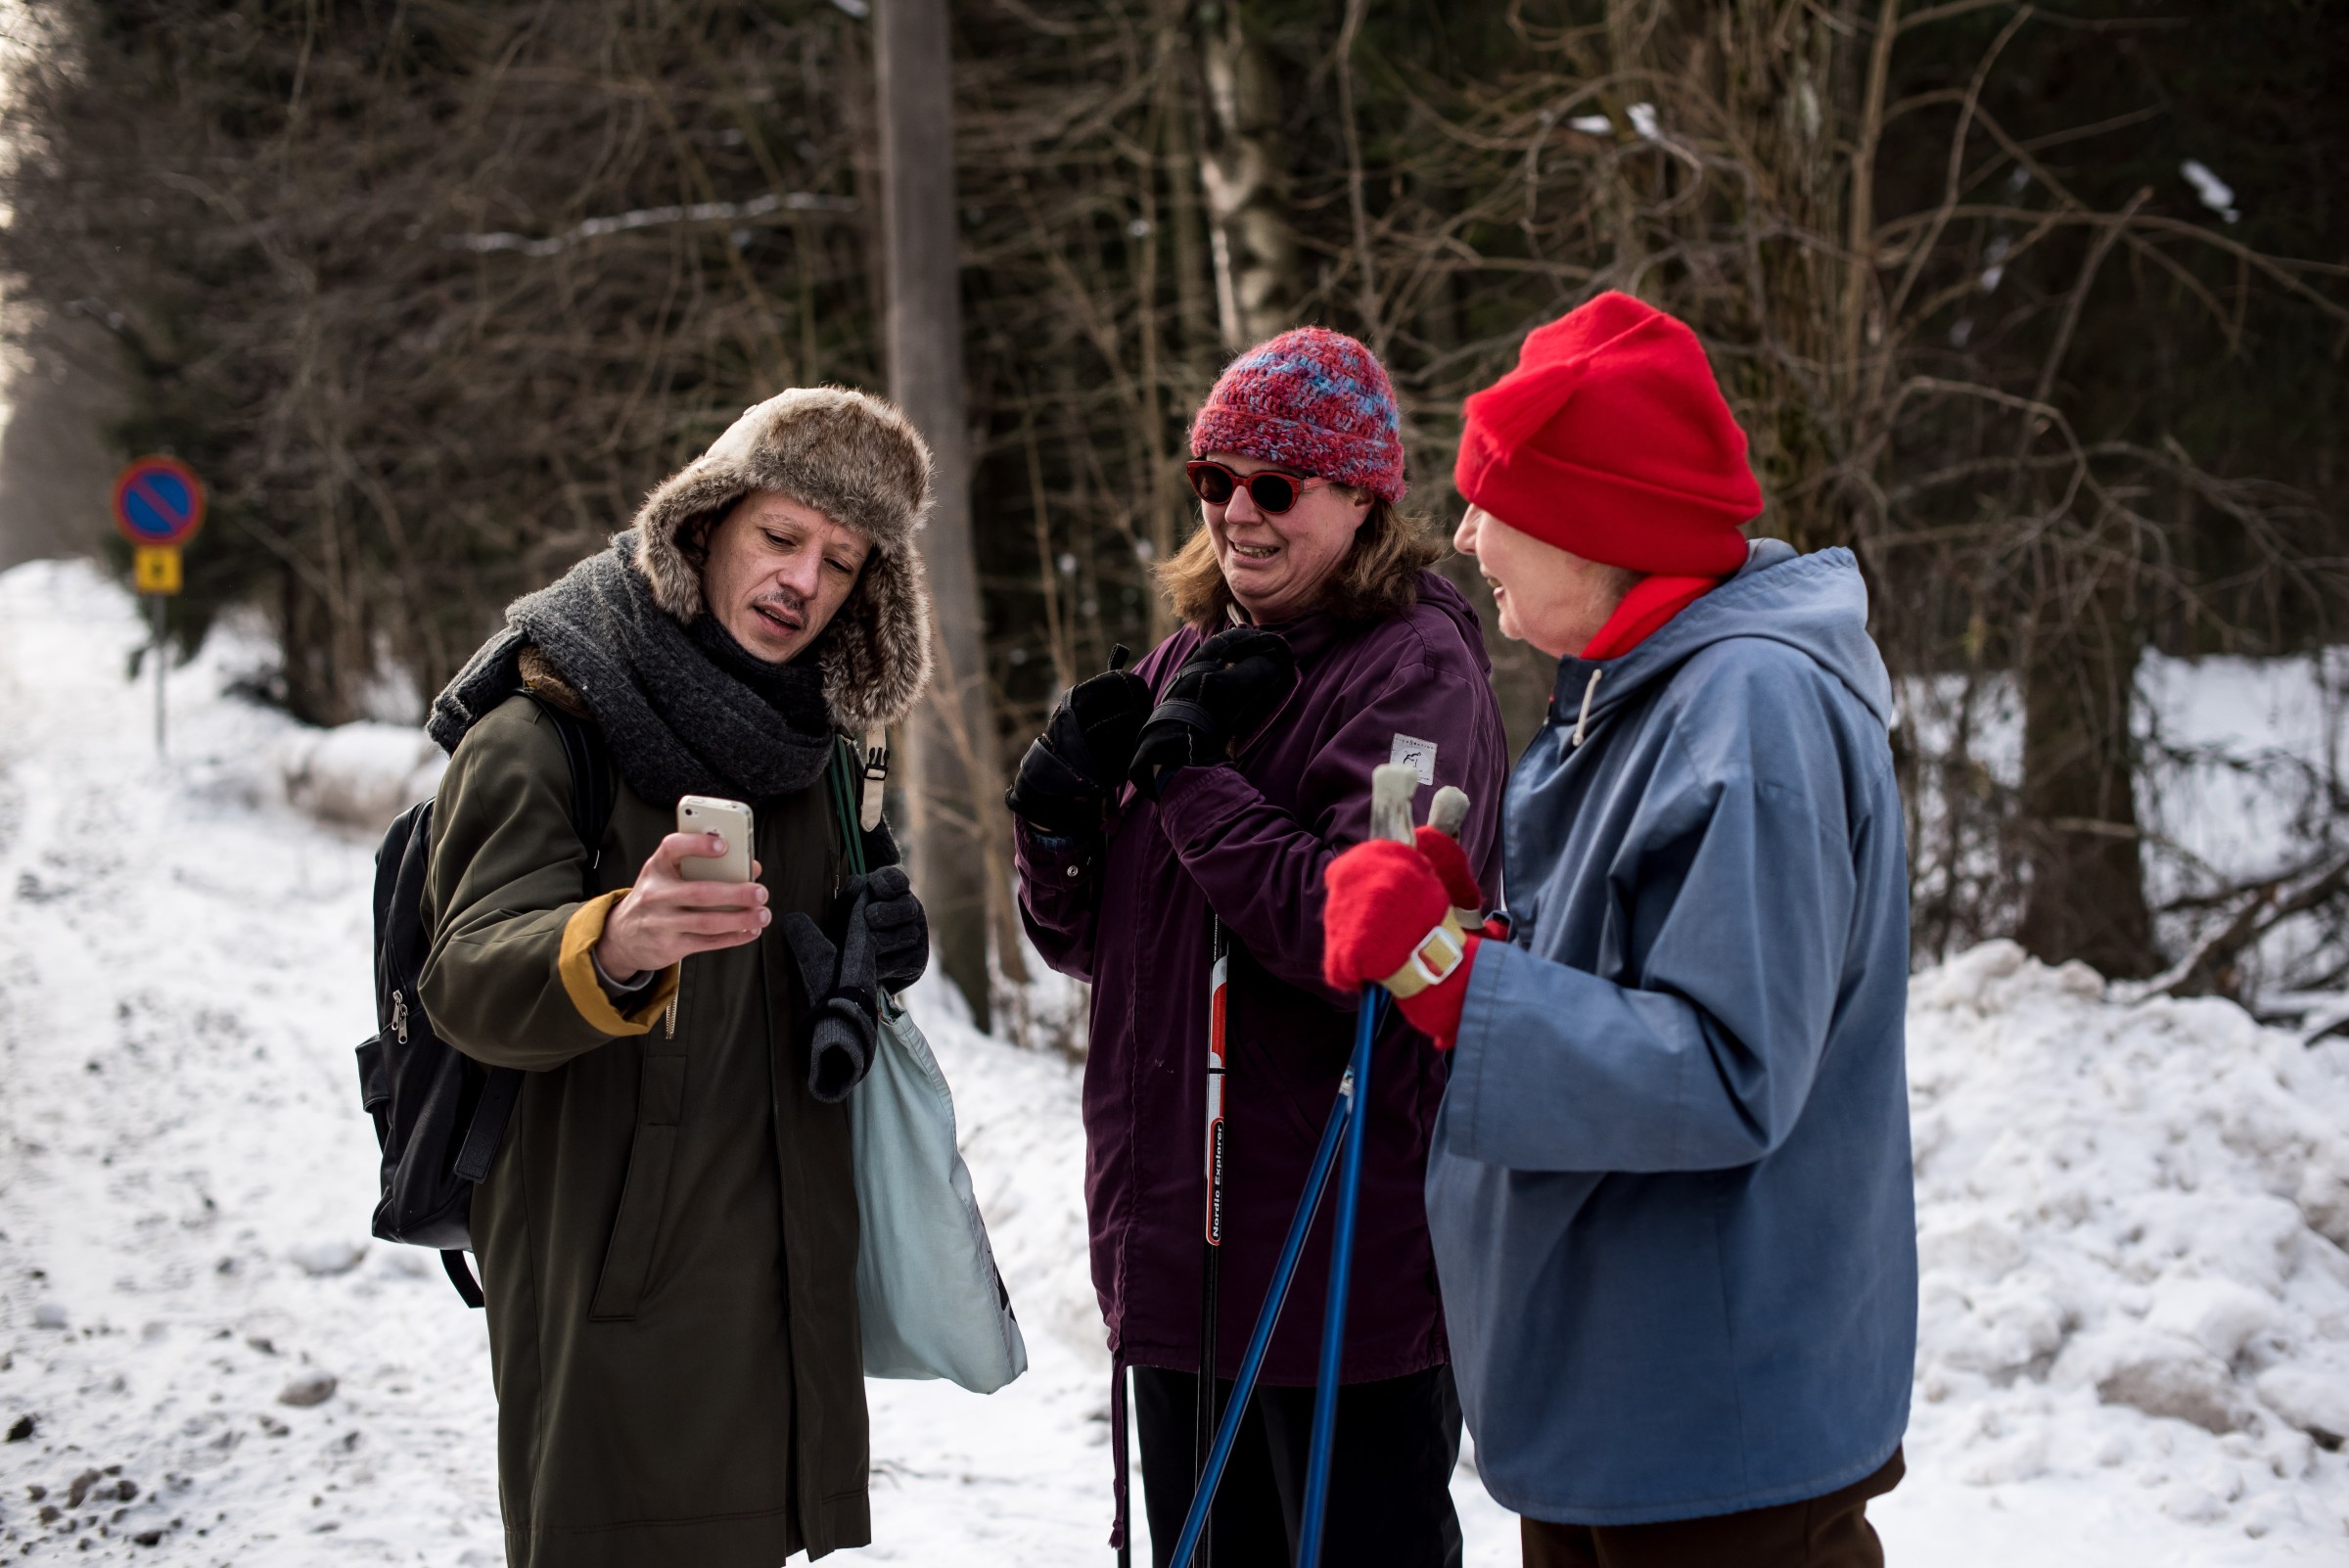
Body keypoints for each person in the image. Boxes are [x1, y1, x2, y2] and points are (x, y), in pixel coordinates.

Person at [1320, 293, 1918, 1568]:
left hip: (1716, 1433)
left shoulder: (1749, 711)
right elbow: (1641, 969)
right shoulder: (1640, 687)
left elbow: (1725, 1066)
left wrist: (1449, 979)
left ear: (1599, 529)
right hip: (1629, 1404)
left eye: (1499, 507)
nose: (1470, 534)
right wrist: (1482, 930)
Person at [1010, 327, 1510, 1567]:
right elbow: (1094, 947)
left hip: (1334, 1267)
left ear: (1362, 497)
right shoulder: (1195, 655)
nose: (1238, 512)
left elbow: (1352, 939)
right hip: (1178, 1258)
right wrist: (1059, 822)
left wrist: (1189, 786)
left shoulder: (1413, 674)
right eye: (1215, 480)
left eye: (1274, 486)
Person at [418, 387, 936, 1567]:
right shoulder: (548, 722)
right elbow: (468, 978)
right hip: (610, 1266)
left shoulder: (814, 744)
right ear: (705, 524)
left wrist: (880, 945)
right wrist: (615, 940)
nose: (805, 583)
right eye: (782, 536)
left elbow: (812, 951)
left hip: (772, 1262)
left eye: (843, 562)